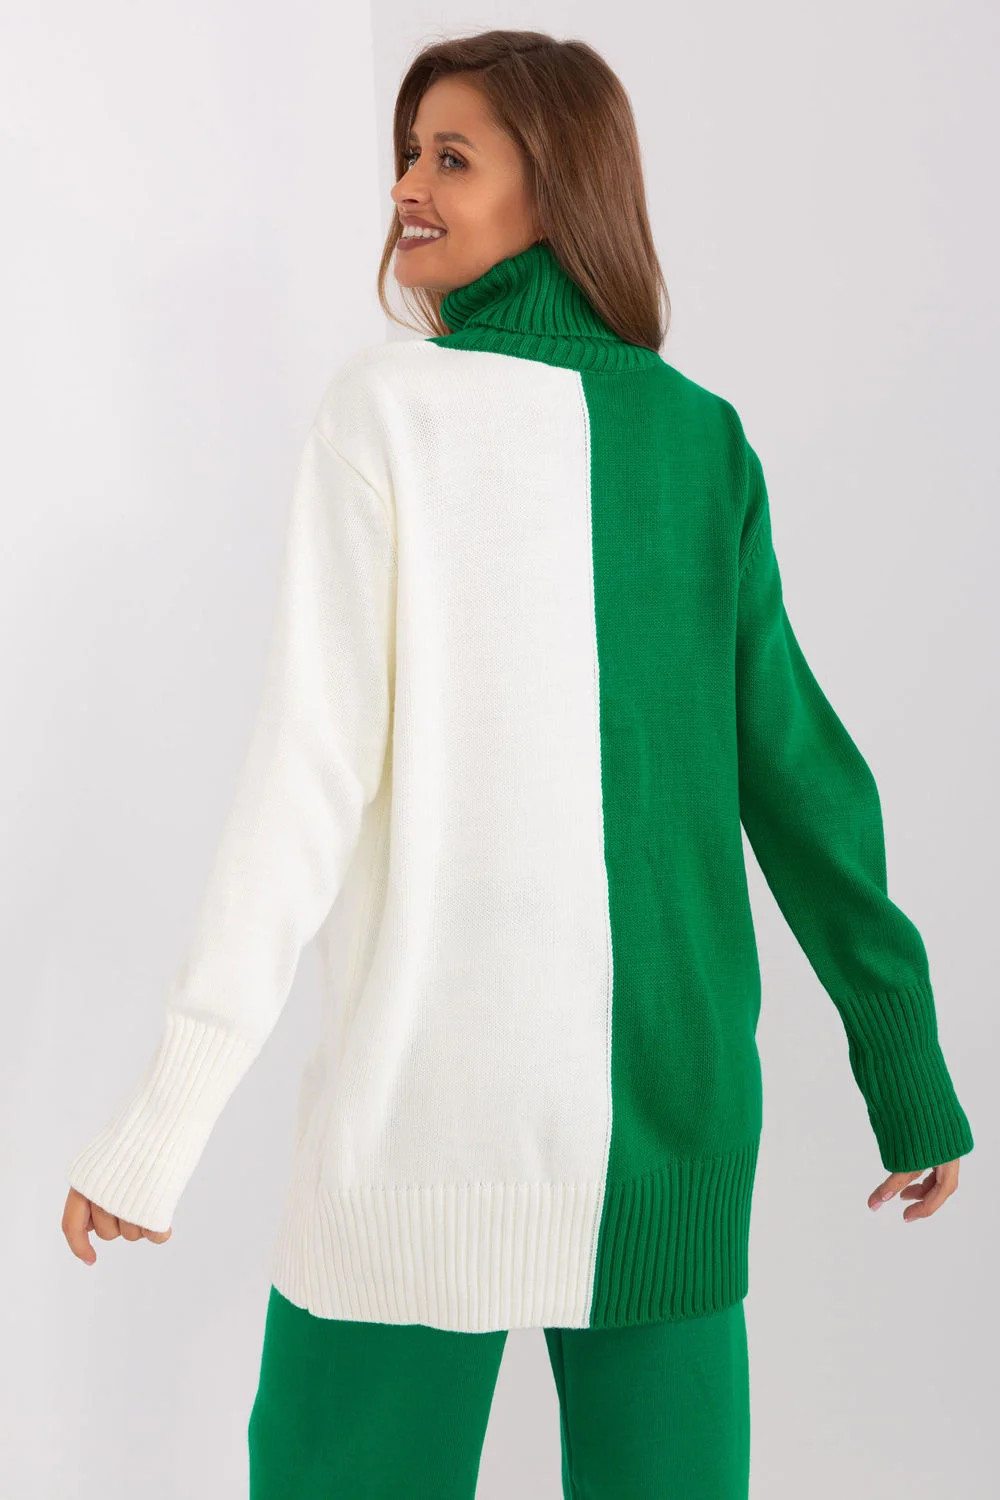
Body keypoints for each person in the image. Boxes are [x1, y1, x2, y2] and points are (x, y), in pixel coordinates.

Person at [61, 29, 974, 1500]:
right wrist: (904, 1061)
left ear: (554, 189)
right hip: (667, 1120)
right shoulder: (693, 438)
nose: (406, 188)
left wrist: (159, 1126)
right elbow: (808, 781)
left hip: (424, 1134)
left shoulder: (399, 414)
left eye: (450, 156)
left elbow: (302, 790)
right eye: (406, 154)